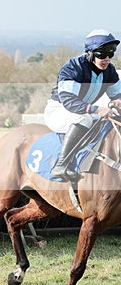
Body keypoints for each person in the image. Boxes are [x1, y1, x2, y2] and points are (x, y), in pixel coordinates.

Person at [45, 29, 121, 179]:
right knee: (84, 119)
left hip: (83, 110)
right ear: (90, 53)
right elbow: (69, 101)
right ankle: (61, 164)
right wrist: (97, 109)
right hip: (60, 110)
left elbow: (117, 94)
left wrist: (118, 102)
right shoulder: (73, 67)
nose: (107, 59)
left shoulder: (109, 71)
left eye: (111, 54)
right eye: (102, 54)